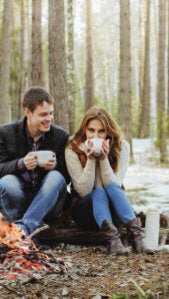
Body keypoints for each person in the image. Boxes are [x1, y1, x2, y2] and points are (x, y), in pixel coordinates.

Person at [65, 107, 151, 254]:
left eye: (101, 131)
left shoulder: (122, 147)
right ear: (84, 129)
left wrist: (103, 159)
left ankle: (137, 238)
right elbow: (83, 190)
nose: (95, 136)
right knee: (98, 192)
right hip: (84, 212)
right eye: (91, 130)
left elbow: (115, 186)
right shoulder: (73, 149)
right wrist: (91, 159)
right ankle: (113, 241)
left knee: (110, 188)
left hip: (114, 213)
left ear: (109, 132)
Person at [0, 87, 70, 239]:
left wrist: (56, 166)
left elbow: (68, 178)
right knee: (7, 182)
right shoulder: (6, 133)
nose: (49, 119)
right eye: (43, 114)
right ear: (28, 112)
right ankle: (28, 225)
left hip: (47, 204)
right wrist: (21, 164)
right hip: (17, 201)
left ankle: (23, 227)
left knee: (56, 177)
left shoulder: (60, 136)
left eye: (51, 113)